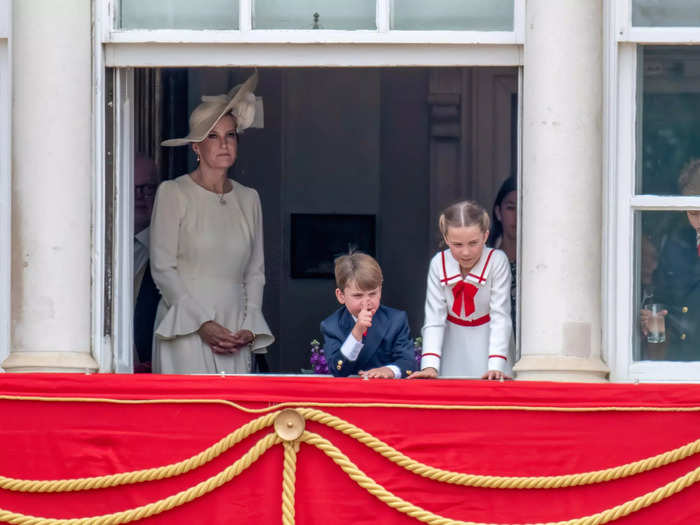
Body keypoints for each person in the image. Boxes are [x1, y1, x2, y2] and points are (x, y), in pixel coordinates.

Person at [151, 72, 274, 374]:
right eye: (212, 136)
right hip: (186, 326)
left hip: (235, 328)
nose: (223, 144)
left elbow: (255, 272)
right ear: (196, 146)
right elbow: (162, 268)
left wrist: (250, 323)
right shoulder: (174, 192)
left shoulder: (249, 198)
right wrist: (201, 323)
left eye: (230, 135)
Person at [409, 201, 512, 379]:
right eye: (457, 244)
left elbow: (500, 315)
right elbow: (434, 317)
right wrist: (430, 365)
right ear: (446, 238)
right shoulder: (438, 263)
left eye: (473, 243)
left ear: (486, 236)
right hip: (452, 345)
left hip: (490, 343)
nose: (466, 252)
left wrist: (496, 364)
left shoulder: (497, 261)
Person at [321, 252, 416, 379]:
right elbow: (338, 370)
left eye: (372, 294)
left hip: (387, 393)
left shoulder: (396, 320)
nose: (366, 302)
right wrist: (357, 332)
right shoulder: (331, 326)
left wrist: (389, 370)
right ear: (341, 296)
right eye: (358, 296)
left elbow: (408, 363)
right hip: (350, 394)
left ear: (380, 290)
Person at [640, 159, 700, 361]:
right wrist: (658, 322)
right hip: (683, 363)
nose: (698, 222)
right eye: (693, 213)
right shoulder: (678, 246)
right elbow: (669, 302)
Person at [133, 154, 160, 372]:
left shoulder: (174, 246)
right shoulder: (91, 247)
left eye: (148, 189)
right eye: (133, 188)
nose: (140, 197)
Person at [488, 176, 517, 332]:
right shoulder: (482, 259)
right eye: (511, 208)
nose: (517, 215)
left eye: (523, 207)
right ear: (498, 212)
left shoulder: (541, 264)